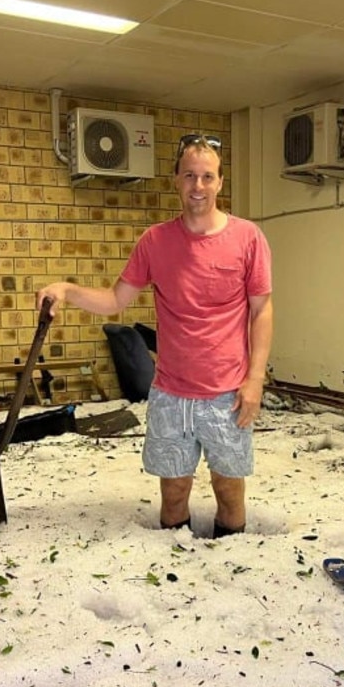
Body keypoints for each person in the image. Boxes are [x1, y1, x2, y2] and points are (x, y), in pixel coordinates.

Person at [36, 133, 273, 538]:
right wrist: (67, 290)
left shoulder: (247, 238)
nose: (198, 186)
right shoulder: (156, 241)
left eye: (207, 177)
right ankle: (174, 574)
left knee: (229, 491)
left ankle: (232, 567)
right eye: (189, 176)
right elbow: (115, 300)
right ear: (176, 180)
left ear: (219, 182)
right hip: (172, 394)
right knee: (175, 491)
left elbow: (261, 310)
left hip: (227, 393)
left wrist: (255, 379)